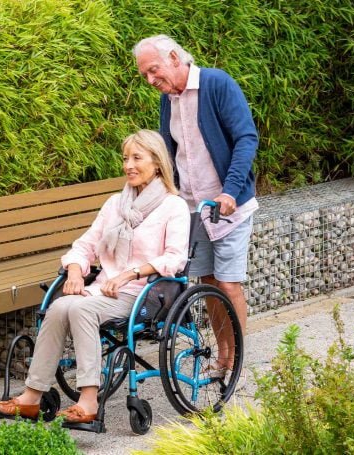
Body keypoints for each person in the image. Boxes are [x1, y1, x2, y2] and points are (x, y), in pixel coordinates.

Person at [0, 130, 190, 423]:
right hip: (103, 289)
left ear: (158, 163)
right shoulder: (115, 205)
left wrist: (129, 273)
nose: (128, 165)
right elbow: (85, 246)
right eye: (125, 159)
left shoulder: (173, 206)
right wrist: (74, 270)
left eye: (137, 158)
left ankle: (88, 400)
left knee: (81, 309)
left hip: (145, 293)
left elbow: (175, 258)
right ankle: (33, 397)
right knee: (59, 307)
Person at [133, 35, 258, 378]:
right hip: (192, 208)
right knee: (207, 283)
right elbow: (169, 156)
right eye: (144, 75)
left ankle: (236, 362)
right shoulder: (168, 99)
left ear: (174, 57)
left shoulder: (216, 84)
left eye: (153, 70)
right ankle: (222, 357)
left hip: (230, 205)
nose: (150, 80)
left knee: (229, 284)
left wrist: (231, 191)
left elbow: (246, 138)